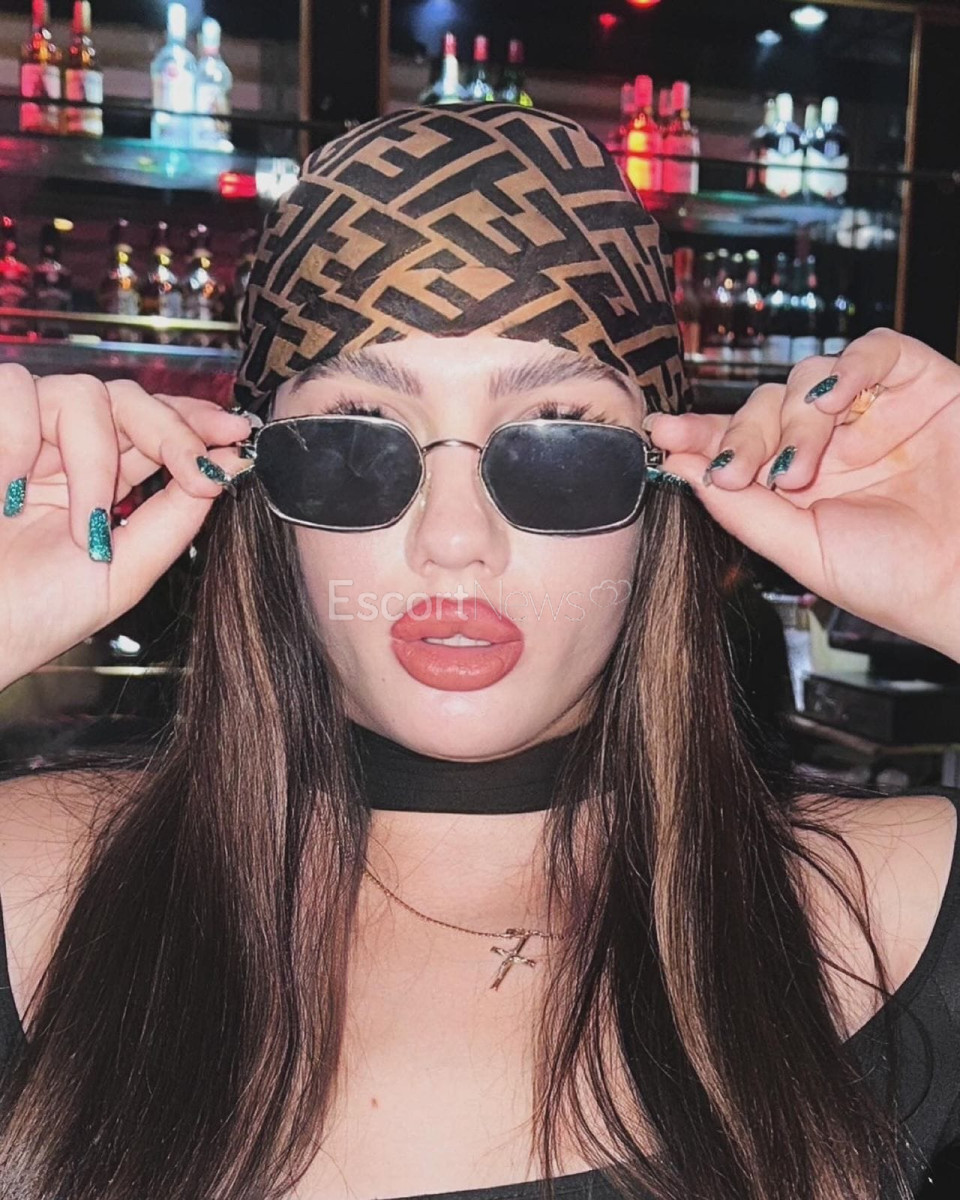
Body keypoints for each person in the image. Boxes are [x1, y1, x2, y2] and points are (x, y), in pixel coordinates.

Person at [0, 103, 957, 1200]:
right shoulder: (33, 887)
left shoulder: (893, 910)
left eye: (559, 442)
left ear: (662, 480)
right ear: (259, 480)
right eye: (356, 441)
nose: (455, 542)